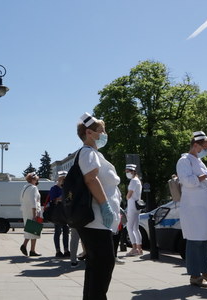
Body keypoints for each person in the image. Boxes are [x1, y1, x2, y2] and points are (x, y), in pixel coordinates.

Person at [75, 112, 120, 300]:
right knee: (103, 266)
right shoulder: (88, 153)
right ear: (89, 132)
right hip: (96, 220)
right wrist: (105, 206)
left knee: (96, 268)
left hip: (99, 221)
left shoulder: (94, 154)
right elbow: (91, 179)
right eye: (102, 130)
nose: (104, 134)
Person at [176, 131, 207, 288]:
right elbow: (188, 181)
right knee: (195, 242)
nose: (206, 151)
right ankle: (195, 276)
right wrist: (206, 176)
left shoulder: (199, 162)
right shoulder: (184, 161)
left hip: (205, 208)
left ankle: (206, 273)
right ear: (195, 145)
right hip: (193, 209)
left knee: (206, 241)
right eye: (204, 148)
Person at [20, 172, 42, 257]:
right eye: (36, 178)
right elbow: (34, 202)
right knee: (34, 231)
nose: (37, 179)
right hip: (33, 211)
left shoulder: (24, 187)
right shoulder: (33, 188)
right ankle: (32, 250)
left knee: (30, 230)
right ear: (33, 179)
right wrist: (35, 214)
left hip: (26, 211)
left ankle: (25, 246)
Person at [49, 171, 70, 258]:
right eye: (62, 179)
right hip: (57, 213)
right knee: (57, 231)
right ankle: (58, 250)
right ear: (58, 179)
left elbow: (69, 198)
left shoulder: (67, 188)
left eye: (65, 179)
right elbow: (54, 200)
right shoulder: (54, 188)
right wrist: (61, 198)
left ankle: (66, 250)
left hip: (66, 213)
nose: (63, 181)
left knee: (66, 231)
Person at [125, 164, 143, 257]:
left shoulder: (133, 181)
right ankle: (139, 248)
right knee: (136, 228)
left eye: (127, 171)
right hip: (138, 206)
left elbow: (129, 195)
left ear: (132, 171)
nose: (127, 173)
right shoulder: (138, 181)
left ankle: (134, 248)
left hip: (132, 206)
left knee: (129, 227)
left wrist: (126, 197)